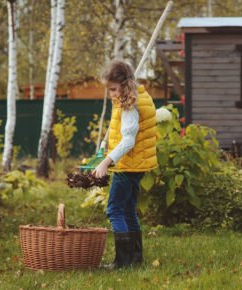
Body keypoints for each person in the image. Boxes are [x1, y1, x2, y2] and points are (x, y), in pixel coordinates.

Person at [93, 59, 158, 269]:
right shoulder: (132, 97)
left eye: (112, 89)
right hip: (135, 165)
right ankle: (135, 259)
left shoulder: (130, 104)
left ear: (124, 83)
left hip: (127, 165)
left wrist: (106, 163)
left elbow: (128, 140)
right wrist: (105, 147)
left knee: (114, 210)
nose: (111, 94)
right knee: (128, 210)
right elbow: (119, 130)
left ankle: (121, 262)